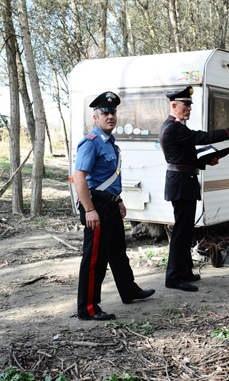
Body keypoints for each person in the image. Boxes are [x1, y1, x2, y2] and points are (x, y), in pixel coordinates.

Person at [159, 86, 229, 292]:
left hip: (184, 181)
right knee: (181, 233)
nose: (189, 109)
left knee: (185, 231)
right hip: (181, 184)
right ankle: (174, 277)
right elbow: (202, 138)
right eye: (186, 105)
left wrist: (206, 161)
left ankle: (183, 272)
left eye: (190, 106)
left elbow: (185, 156)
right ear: (174, 105)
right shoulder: (174, 127)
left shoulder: (174, 127)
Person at [73, 91, 155, 320]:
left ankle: (129, 290)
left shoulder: (109, 143)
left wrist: (118, 200)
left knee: (118, 251)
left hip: (110, 204)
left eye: (113, 112)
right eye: (105, 113)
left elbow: (108, 177)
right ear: (95, 117)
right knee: (94, 259)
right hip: (96, 205)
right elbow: (79, 177)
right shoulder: (91, 143)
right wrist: (89, 210)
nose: (110, 116)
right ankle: (88, 309)